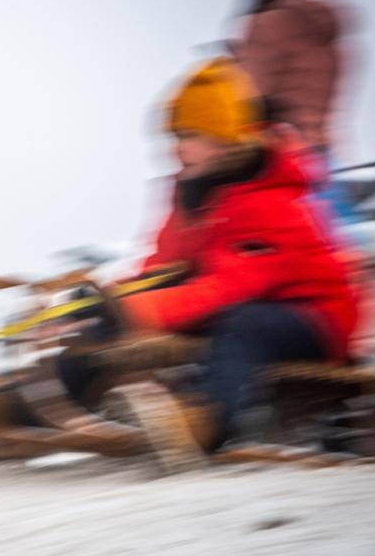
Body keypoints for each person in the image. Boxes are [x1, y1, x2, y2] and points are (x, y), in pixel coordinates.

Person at [82, 58, 359, 453]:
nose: (176, 148)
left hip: (313, 317)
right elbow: (164, 268)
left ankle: (206, 421)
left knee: (243, 325)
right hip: (234, 301)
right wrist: (116, 300)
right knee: (115, 319)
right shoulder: (192, 194)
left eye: (189, 136)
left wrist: (139, 310)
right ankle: (42, 401)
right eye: (173, 136)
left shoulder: (268, 202)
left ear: (225, 139)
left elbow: (229, 287)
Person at [231, 0, 358, 226]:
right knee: (331, 234)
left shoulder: (268, 23)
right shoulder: (328, 36)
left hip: (276, 153)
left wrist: (233, 64)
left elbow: (248, 93)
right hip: (320, 149)